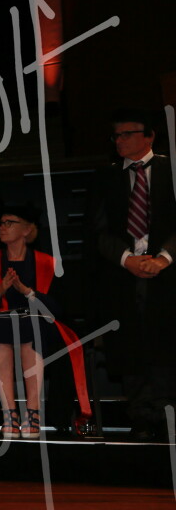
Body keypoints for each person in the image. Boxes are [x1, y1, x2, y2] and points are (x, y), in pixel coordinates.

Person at [94, 108, 176, 440]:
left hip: (168, 274)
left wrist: (164, 258)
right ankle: (141, 417)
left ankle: (167, 414)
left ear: (150, 136)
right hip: (123, 275)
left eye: (127, 134)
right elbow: (97, 230)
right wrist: (127, 259)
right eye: (116, 135)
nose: (120, 140)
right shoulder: (106, 177)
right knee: (130, 344)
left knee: (165, 341)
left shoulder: (171, 169)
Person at [0, 206, 91, 438]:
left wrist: (27, 291)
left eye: (10, 222)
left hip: (42, 326)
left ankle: (33, 411)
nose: (2, 227)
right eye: (1, 223)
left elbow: (59, 309)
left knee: (32, 326)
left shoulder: (47, 263)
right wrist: (0, 290)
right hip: (0, 325)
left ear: (27, 230)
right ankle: (9, 412)